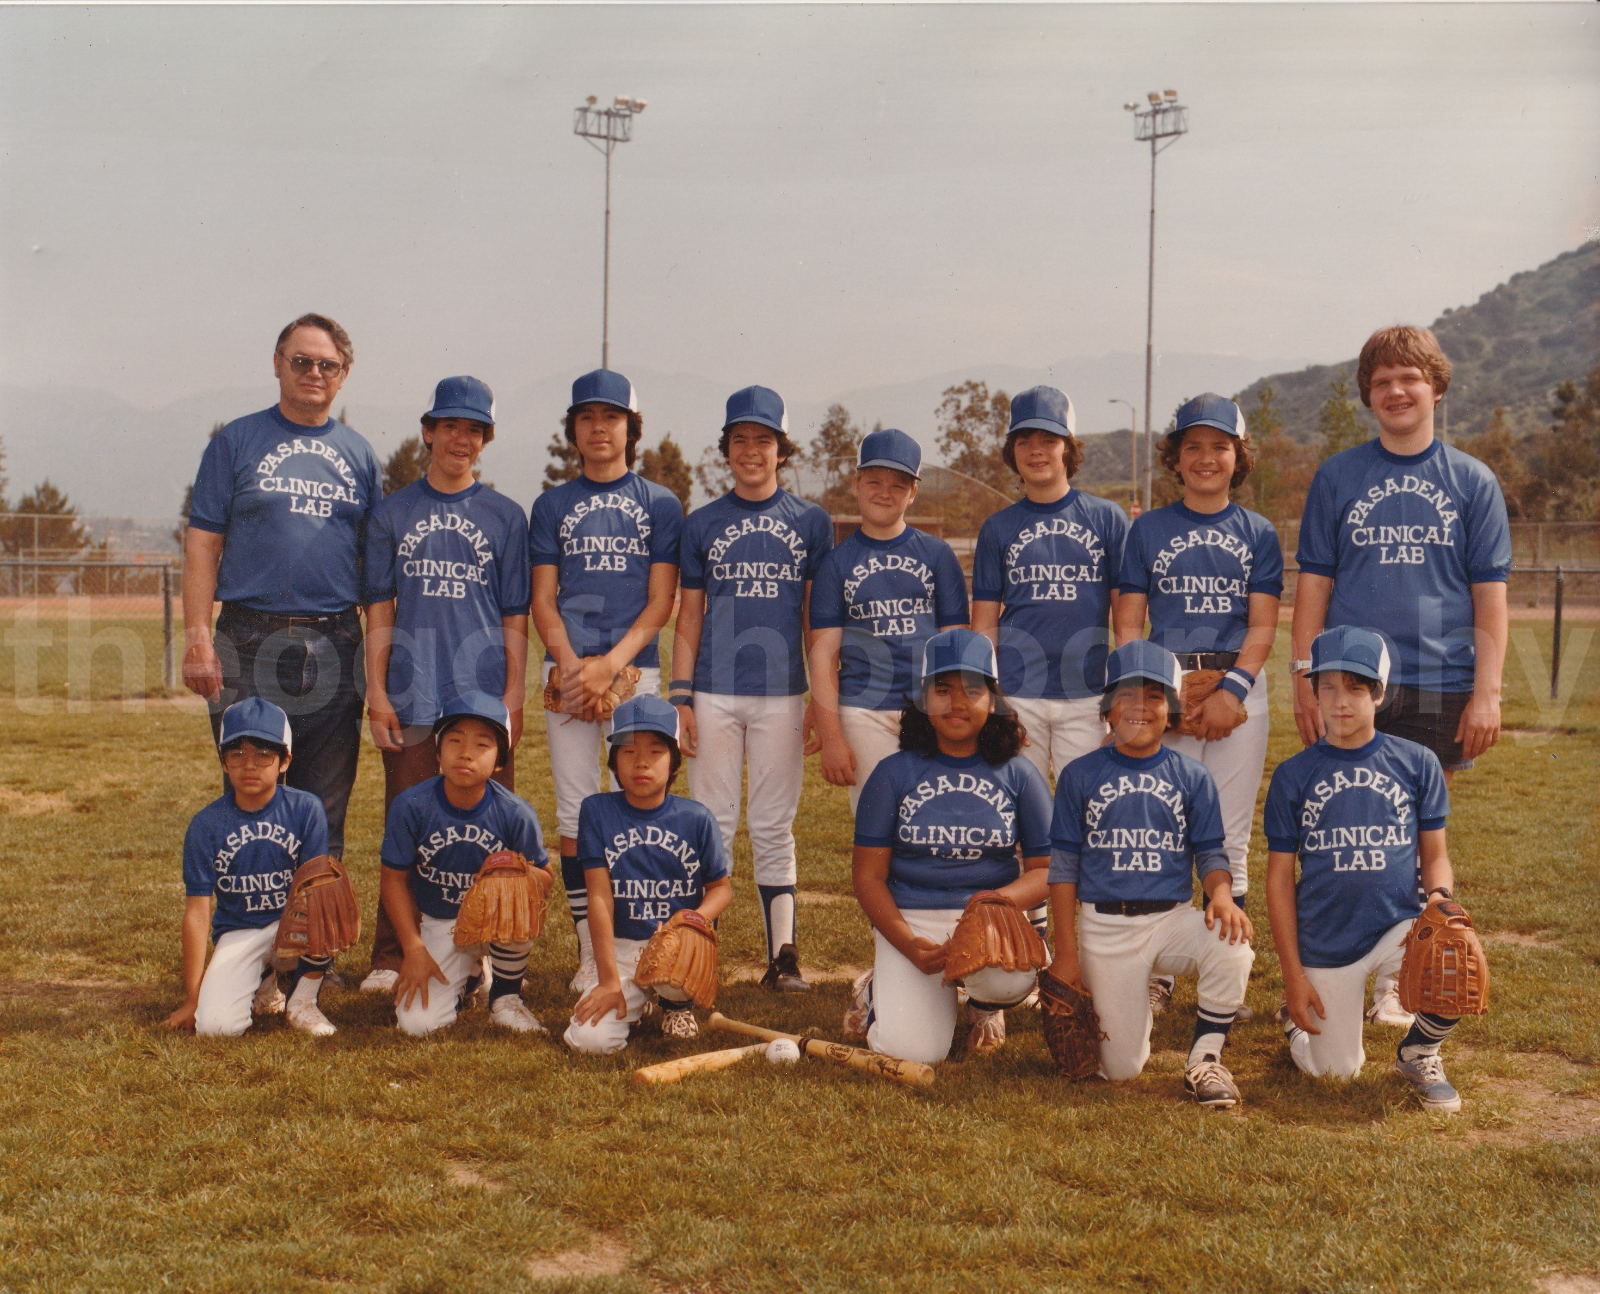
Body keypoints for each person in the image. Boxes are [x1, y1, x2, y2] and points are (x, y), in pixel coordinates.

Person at [1291, 326, 1510, 1026]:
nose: (1395, 390)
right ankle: (1322, 973)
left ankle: (1399, 974)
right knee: (1341, 831)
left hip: (1438, 679)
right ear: (1368, 396)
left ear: (1436, 388)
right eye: (1382, 380)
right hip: (1348, 679)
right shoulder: (1339, 476)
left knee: (1414, 837)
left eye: (1409, 377)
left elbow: (1489, 595)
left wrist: (1488, 691)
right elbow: (1315, 584)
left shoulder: (1471, 480)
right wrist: (1305, 675)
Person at [182, 313, 381, 865]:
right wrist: (199, 636)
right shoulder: (236, 442)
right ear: (277, 365)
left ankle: (313, 949)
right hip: (246, 639)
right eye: (301, 361)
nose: (313, 372)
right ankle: (250, 940)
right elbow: (202, 545)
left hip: (336, 640)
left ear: (343, 375)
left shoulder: (361, 455)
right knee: (250, 798)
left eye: (327, 365)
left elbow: (374, 566)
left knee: (323, 811)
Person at [359, 376, 531, 994]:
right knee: (407, 824)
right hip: (412, 689)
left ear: (485, 440)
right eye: (450, 426)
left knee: (486, 829)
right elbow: (379, 607)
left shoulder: (507, 516)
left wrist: (512, 697)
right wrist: (376, 691)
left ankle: (484, 954)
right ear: (428, 430)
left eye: (474, 429)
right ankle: (388, 954)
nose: (461, 439)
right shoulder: (392, 512)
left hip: (482, 698)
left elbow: (516, 614)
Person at [1115, 393, 1281, 1020]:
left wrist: (1232, 691)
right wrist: (1161, 690)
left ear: (1239, 457)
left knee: (1229, 839)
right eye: (1194, 447)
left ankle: (1223, 969)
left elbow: (1262, 623)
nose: (1207, 458)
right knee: (1160, 830)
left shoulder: (1257, 531)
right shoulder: (1150, 529)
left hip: (1237, 691)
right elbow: (1129, 620)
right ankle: (1160, 970)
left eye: (1220, 446)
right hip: (1165, 691)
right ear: (1175, 460)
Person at [1265, 627, 1467, 1112]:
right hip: (1327, 937)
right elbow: (1278, 881)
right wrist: (1293, 976)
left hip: (1398, 924)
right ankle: (1298, 1029)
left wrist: (1439, 899)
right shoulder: (1294, 774)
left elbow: (1435, 854)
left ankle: (1419, 1052)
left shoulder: (1417, 763)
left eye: (1356, 687)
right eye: (1328, 686)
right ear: (1313, 692)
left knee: (1451, 954)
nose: (1340, 701)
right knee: (1334, 1072)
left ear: (1379, 692)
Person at [672, 386, 833, 992]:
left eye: (762, 440)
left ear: (781, 449)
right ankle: (695, 948)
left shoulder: (810, 521)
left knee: (772, 823)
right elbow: (688, 618)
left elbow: (817, 622)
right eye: (739, 440)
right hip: (713, 688)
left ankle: (783, 955)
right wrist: (681, 696)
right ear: (726, 449)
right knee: (710, 822)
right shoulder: (703, 522)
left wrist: (821, 699)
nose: (750, 451)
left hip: (783, 691)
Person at [1046, 641, 1254, 1108]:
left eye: (1156, 696)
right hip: (1105, 928)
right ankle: (1129, 1005)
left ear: (1172, 711)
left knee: (1231, 946)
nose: (1140, 706)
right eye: (1126, 695)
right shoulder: (1080, 775)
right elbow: (1062, 868)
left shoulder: (1191, 774)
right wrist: (1065, 952)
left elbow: (1210, 851)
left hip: (1171, 920)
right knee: (1120, 1070)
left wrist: (1220, 895)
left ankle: (1204, 1058)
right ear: (1106, 708)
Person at [528, 370, 684, 995]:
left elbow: (661, 601)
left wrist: (609, 666)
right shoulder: (552, 504)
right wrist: (572, 665)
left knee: (642, 797)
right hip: (565, 669)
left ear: (631, 428)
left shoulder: (659, 502)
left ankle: (643, 937)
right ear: (574, 429)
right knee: (574, 809)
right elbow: (543, 599)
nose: (599, 427)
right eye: (587, 417)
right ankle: (590, 952)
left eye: (612, 417)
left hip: (633, 667)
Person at [843, 629, 1052, 1063]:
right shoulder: (892, 773)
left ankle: (984, 1004)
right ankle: (878, 990)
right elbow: (868, 877)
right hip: (913, 920)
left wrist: (996, 903)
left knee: (1008, 981)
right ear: (923, 699)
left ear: (992, 700)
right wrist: (906, 943)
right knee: (914, 1052)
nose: (957, 702)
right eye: (943, 689)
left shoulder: (1018, 773)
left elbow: (1047, 868)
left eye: (972, 690)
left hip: (989, 913)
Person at [972, 385, 1128, 785]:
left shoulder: (1106, 517)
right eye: (1024, 440)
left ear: (1068, 448)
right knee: (1023, 813)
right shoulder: (998, 527)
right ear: (1012, 451)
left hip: (1088, 689)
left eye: (1049, 439)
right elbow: (985, 621)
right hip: (1018, 690)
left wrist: (1124, 687)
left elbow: (1125, 615)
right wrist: (988, 691)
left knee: (1089, 806)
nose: (1036, 450)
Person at [808, 428, 970, 812]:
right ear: (855, 484)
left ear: (913, 493)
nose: (884, 492)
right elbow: (823, 656)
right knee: (877, 813)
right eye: (873, 481)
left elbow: (956, 643)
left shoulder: (937, 554)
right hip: (863, 707)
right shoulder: (837, 562)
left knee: (932, 809)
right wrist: (831, 738)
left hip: (929, 706)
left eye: (898, 485)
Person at [565, 696, 734, 1054]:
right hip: (622, 947)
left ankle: (676, 1005)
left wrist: (691, 921)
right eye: (628, 751)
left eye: (655, 751)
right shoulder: (597, 811)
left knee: (680, 955)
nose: (641, 762)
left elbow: (720, 889)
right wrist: (609, 980)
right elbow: (598, 895)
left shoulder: (696, 817)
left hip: (677, 946)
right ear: (613, 762)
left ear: (674, 763)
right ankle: (631, 997)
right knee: (589, 1042)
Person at [381, 694, 553, 1036]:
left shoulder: (515, 812)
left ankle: (506, 998)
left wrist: (515, 873)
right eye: (455, 740)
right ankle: (472, 976)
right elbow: (393, 881)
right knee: (417, 1025)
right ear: (438, 751)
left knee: (515, 895)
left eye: (482, 744)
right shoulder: (411, 806)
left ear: (499, 760)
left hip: (497, 922)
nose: (466, 752)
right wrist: (413, 950)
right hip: (441, 921)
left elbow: (546, 880)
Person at [167, 697, 336, 1037]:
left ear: (284, 761)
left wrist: (316, 915)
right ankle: (262, 981)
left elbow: (316, 890)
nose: (250, 765)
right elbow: (198, 913)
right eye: (237, 754)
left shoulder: (306, 808)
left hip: (294, 924)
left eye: (264, 755)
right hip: (240, 929)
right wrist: (193, 999)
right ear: (224, 763)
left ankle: (302, 1001)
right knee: (216, 1028)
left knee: (328, 908)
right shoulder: (206, 824)